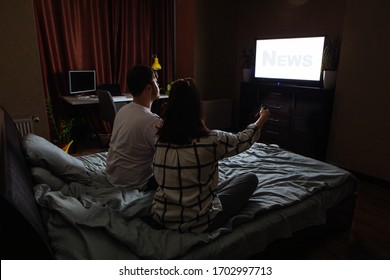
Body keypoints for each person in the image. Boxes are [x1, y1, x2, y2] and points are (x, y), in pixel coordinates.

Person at [151, 78, 270, 233]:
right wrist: (263, 117)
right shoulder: (211, 140)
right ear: (198, 107)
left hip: (161, 216)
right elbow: (244, 139)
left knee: (225, 181)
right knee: (249, 179)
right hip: (199, 222)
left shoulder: (160, 140)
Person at [105, 65, 162, 190]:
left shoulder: (122, 110)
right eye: (156, 82)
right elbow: (168, 155)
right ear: (149, 88)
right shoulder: (153, 121)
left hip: (112, 177)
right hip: (132, 184)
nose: (158, 85)